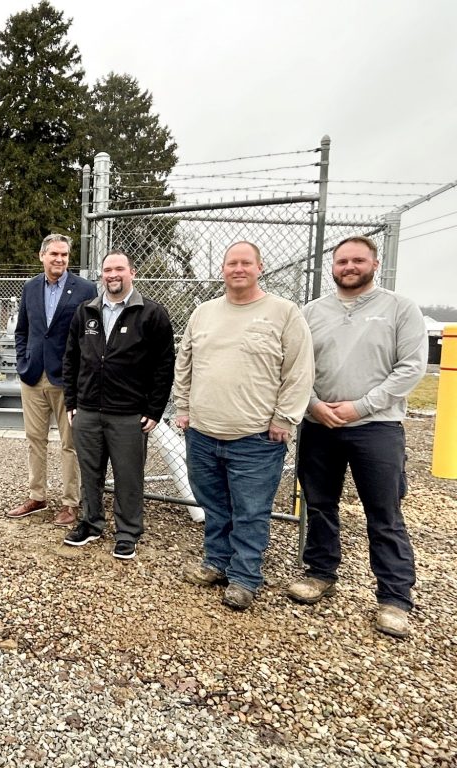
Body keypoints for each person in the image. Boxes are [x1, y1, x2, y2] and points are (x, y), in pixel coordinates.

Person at [288, 236, 427, 638]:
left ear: (374, 264)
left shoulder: (399, 308)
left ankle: (394, 597)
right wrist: (313, 405)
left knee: (383, 513)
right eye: (342, 261)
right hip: (319, 424)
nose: (349, 266)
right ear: (333, 266)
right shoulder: (312, 312)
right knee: (319, 503)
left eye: (357, 260)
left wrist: (361, 406)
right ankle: (320, 572)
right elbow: (297, 367)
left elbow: (411, 368)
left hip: (376, 428)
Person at [174, 241, 313, 610]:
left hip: (255, 437)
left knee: (251, 511)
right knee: (214, 504)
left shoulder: (283, 313)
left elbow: (298, 371)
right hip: (203, 432)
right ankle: (216, 562)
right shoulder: (203, 313)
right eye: (231, 263)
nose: (238, 268)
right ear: (223, 269)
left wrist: (284, 417)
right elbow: (184, 363)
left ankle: (245, 576)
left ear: (259, 267)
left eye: (245, 263)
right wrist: (183, 407)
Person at [61, 250, 175, 558]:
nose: (113, 275)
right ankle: (90, 523)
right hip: (87, 411)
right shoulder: (86, 312)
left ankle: (127, 532)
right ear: (102, 275)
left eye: (119, 269)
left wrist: (154, 409)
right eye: (107, 270)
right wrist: (71, 401)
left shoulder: (151, 314)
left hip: (128, 414)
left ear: (132, 273)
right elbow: (71, 358)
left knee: (128, 476)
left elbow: (164, 365)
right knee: (90, 473)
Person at [7, 233, 97, 526]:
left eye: (64, 255)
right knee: (35, 439)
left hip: (67, 379)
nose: (59, 259)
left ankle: (71, 503)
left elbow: (91, 335)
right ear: (42, 256)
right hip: (33, 376)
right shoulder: (31, 287)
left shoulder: (84, 289)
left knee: (70, 443)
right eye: (54, 254)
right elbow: (23, 330)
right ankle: (37, 495)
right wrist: (23, 361)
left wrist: (82, 373)